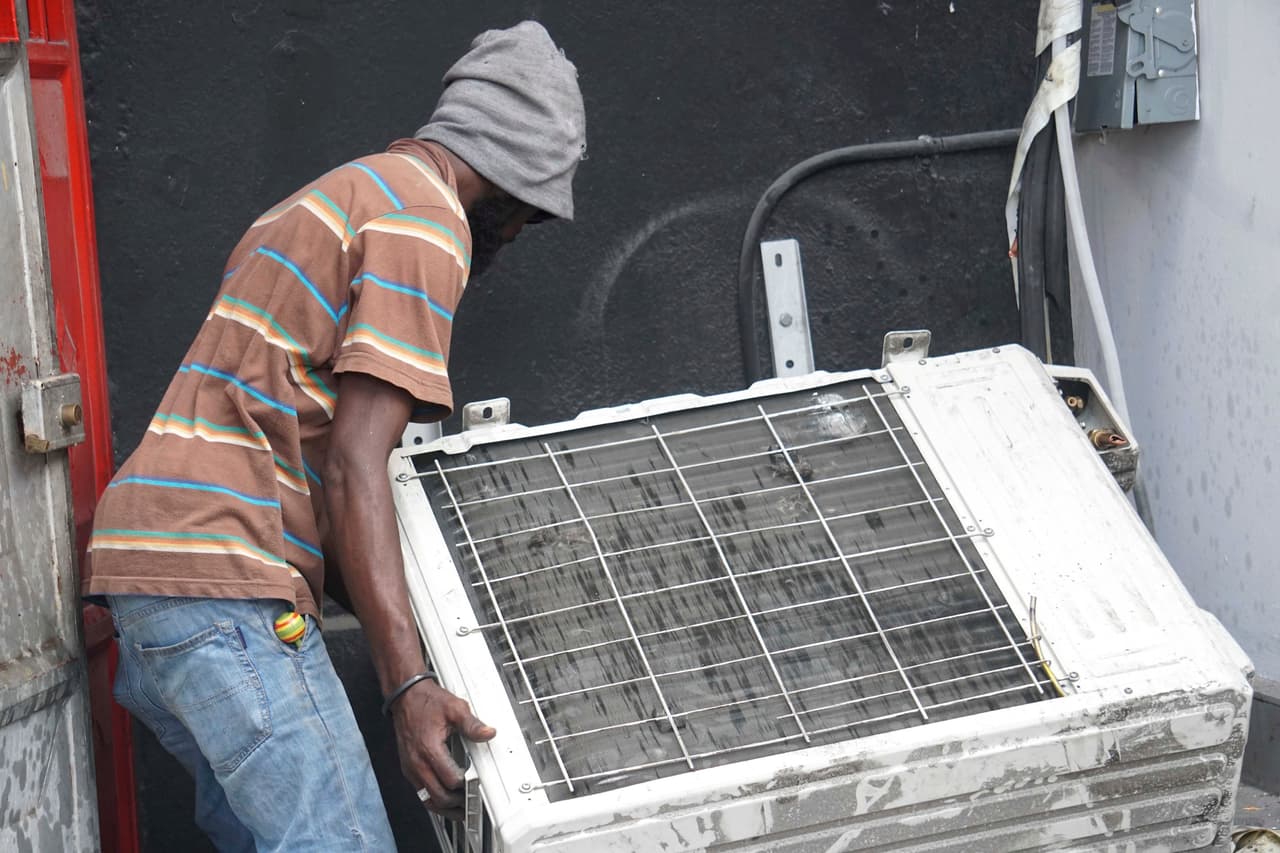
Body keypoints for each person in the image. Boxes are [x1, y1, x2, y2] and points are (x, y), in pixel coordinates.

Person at [82, 20, 586, 851]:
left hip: (150, 584)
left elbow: (305, 451)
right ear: (508, 167)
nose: (524, 231)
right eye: (533, 209)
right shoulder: (427, 224)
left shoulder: (331, 198)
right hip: (226, 584)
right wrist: (409, 685)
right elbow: (355, 465)